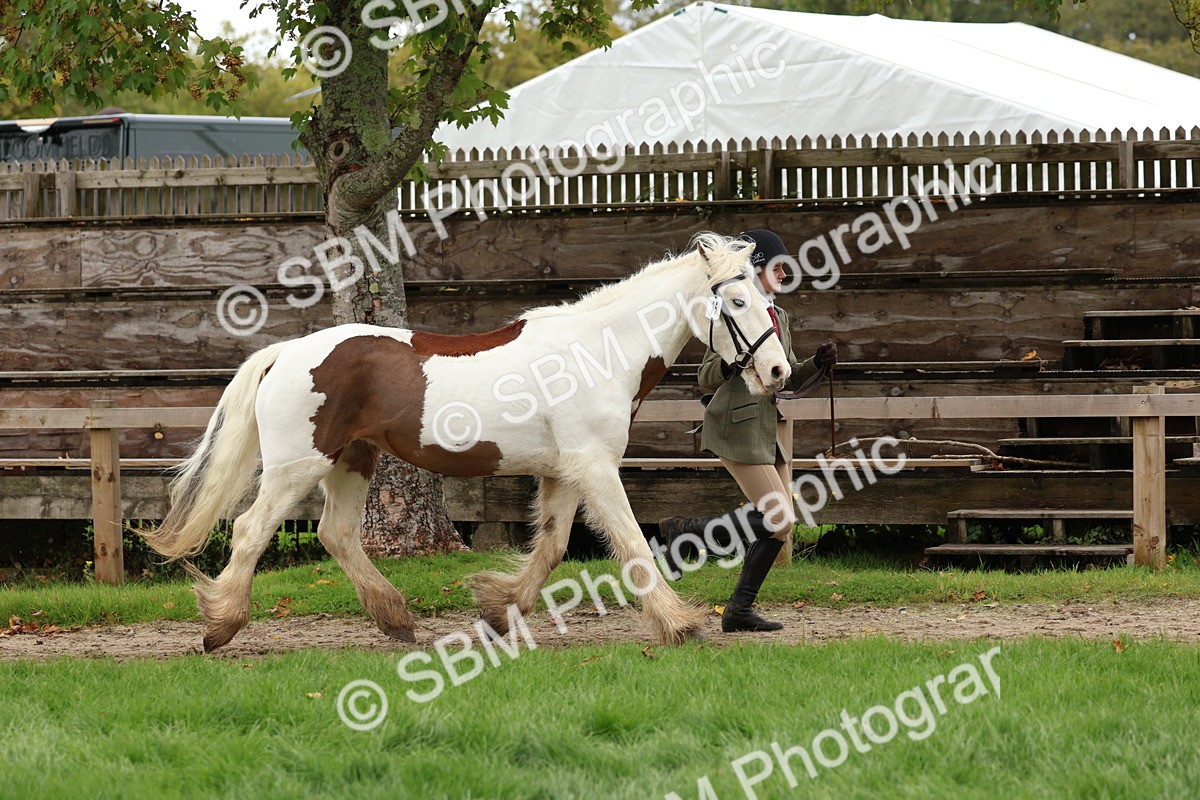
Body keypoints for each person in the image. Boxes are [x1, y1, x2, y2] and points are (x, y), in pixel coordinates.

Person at [679, 229, 837, 633]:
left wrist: (817, 364)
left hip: (765, 428)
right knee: (777, 515)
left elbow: (786, 375)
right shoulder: (736, 311)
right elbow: (705, 376)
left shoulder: (778, 317)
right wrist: (734, 361)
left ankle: (738, 610)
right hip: (735, 424)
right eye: (778, 267)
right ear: (757, 269)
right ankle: (685, 534)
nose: (784, 275)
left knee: (781, 525)